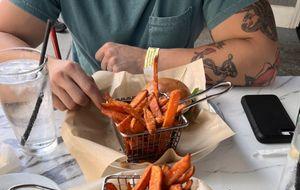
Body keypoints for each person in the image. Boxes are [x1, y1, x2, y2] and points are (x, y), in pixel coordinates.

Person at [0, 0, 279, 112]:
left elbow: (262, 56)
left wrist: (149, 60)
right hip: (84, 102)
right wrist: (42, 70)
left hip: (175, 104)